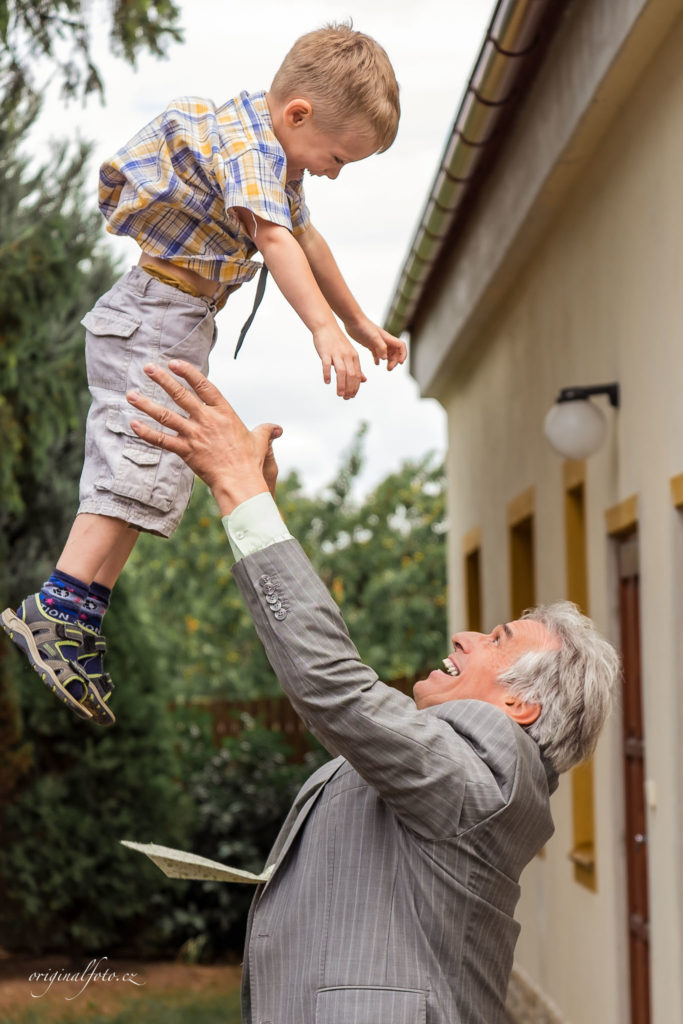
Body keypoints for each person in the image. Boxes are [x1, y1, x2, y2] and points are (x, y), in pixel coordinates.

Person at [124, 359, 620, 1024]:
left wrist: (241, 493)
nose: (468, 635)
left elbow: (332, 685)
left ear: (518, 706)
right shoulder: (464, 771)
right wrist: (257, 507)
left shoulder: (484, 774)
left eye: (498, 639)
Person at [0, 23, 405, 727]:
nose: (332, 173)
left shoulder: (277, 160)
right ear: (298, 114)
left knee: (156, 472)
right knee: (132, 463)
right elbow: (276, 239)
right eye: (336, 158)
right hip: (151, 318)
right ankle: (58, 604)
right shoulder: (249, 146)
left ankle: (81, 615)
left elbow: (307, 236)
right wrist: (320, 331)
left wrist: (359, 323)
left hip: (177, 322)